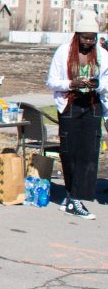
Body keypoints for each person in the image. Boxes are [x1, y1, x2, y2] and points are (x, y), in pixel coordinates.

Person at [46, 11, 108, 220]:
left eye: (92, 38)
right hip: (70, 105)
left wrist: (97, 85)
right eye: (85, 37)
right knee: (69, 152)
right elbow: (51, 81)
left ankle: (76, 199)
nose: (89, 42)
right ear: (77, 35)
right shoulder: (63, 52)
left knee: (89, 153)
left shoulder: (102, 55)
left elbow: (107, 84)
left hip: (92, 105)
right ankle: (72, 196)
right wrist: (71, 83)